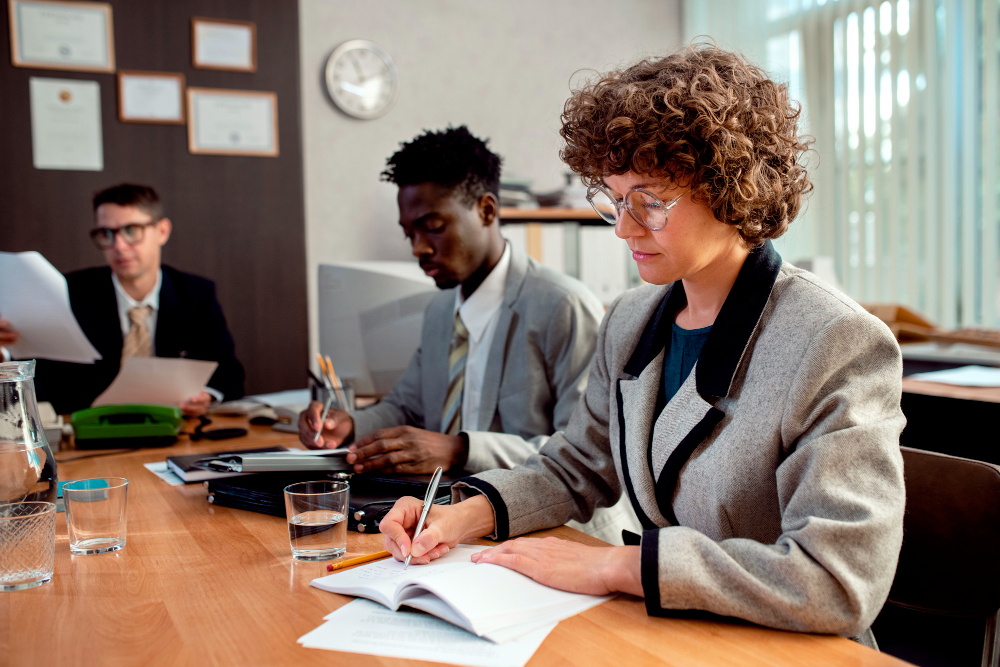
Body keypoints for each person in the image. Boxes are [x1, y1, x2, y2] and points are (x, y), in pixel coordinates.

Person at [378, 46, 906, 648]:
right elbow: (579, 463)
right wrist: (461, 515)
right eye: (615, 199)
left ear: (731, 187)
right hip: (678, 631)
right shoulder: (632, 318)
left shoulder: (835, 340)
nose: (625, 228)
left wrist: (618, 566)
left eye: (650, 202)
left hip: (786, 647)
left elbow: (837, 581)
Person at [298, 126, 639, 544]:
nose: (418, 249)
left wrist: (460, 449)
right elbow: (407, 406)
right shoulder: (441, 309)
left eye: (433, 226)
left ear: (487, 210)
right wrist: (348, 425)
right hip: (458, 521)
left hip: (556, 532)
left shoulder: (561, 306)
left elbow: (585, 455)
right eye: (410, 234)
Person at [0, 184, 244, 414]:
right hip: (90, 428)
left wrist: (207, 396)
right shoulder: (69, 292)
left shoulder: (195, 294)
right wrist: (4, 354)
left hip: (177, 426)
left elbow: (229, 372)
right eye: (106, 233)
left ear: (162, 231)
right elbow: (41, 373)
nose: (119, 246)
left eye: (131, 231)